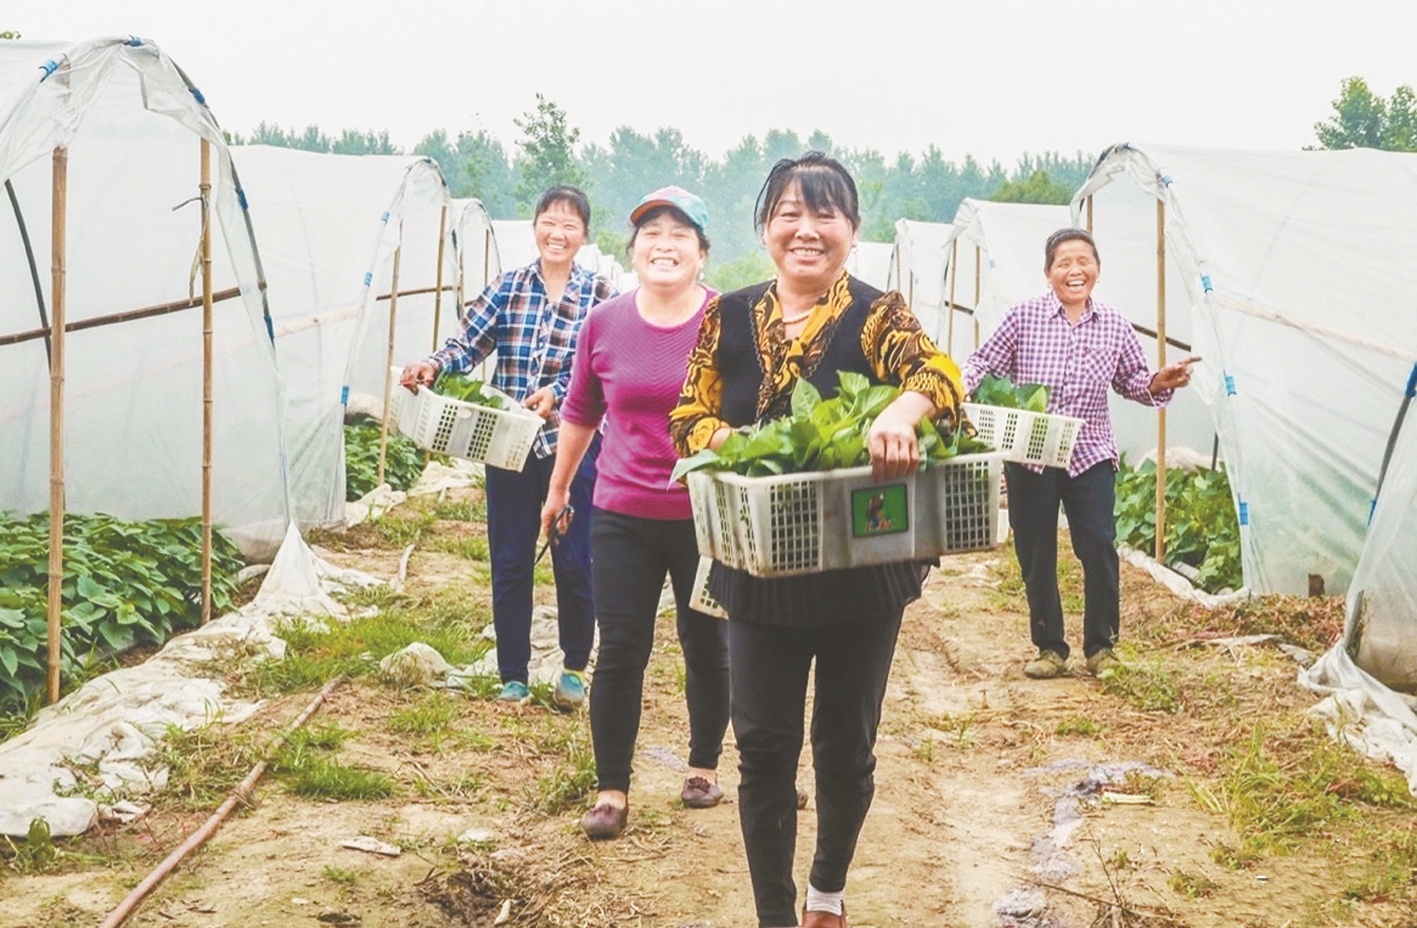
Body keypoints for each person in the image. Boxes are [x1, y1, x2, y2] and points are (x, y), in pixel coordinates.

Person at [669, 152, 966, 928]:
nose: (806, 229)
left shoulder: (876, 314)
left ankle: (826, 891)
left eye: (824, 214)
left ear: (852, 230)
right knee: (763, 747)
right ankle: (773, 914)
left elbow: (937, 374)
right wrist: (740, 444)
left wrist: (899, 413)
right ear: (765, 229)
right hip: (759, 569)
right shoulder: (728, 316)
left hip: (861, 573)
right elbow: (687, 416)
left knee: (843, 745)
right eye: (788, 214)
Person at [538, 186, 731, 842]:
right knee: (620, 647)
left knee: (705, 641)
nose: (664, 245)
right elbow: (580, 411)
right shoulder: (605, 322)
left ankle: (703, 767)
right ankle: (612, 789)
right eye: (651, 233)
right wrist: (559, 489)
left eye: (680, 234)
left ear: (702, 253)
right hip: (621, 509)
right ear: (633, 251)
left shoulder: (728, 322)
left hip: (704, 513)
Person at [400, 186, 615, 708]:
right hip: (509, 444)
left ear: (584, 235)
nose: (557, 233)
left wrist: (560, 392)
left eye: (569, 225)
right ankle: (513, 674)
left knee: (575, 559)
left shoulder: (600, 294)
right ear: (536, 226)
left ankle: (573, 666)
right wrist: (432, 365)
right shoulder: (509, 287)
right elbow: (467, 343)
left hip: (572, 444)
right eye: (549, 222)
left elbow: (606, 363)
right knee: (512, 558)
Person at [962, 228, 1196, 680]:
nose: (1075, 270)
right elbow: (983, 363)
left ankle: (1101, 646)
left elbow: (1131, 381)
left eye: (1084, 261)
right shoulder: (1023, 318)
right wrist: (958, 384)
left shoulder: (1114, 324)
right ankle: (1050, 647)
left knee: (1099, 544)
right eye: (1064, 262)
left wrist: (1157, 381)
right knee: (1037, 550)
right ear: (1048, 272)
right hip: (1032, 450)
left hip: (1089, 450)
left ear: (1097, 270)